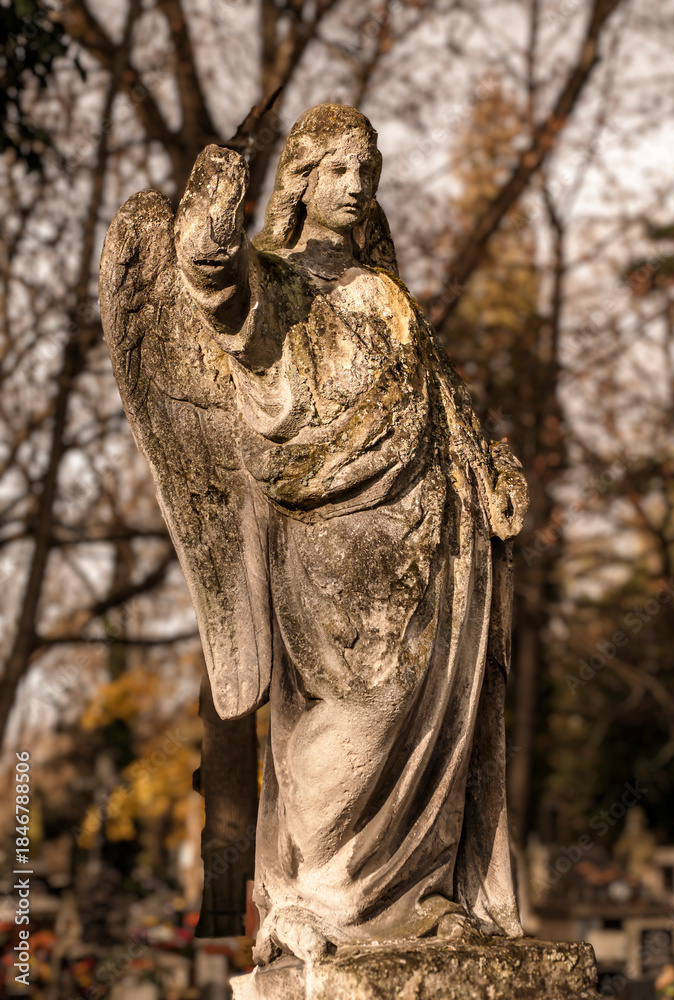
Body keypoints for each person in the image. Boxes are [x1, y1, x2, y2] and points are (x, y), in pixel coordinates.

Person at [100, 104, 528, 964]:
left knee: (430, 705)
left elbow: (435, 394)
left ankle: (414, 897)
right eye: (336, 169)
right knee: (362, 702)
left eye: (365, 168)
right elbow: (217, 289)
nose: (355, 184)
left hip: (429, 524)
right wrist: (213, 210)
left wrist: (490, 462)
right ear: (299, 178)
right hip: (331, 526)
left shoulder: (383, 287)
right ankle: (320, 893)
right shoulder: (273, 277)